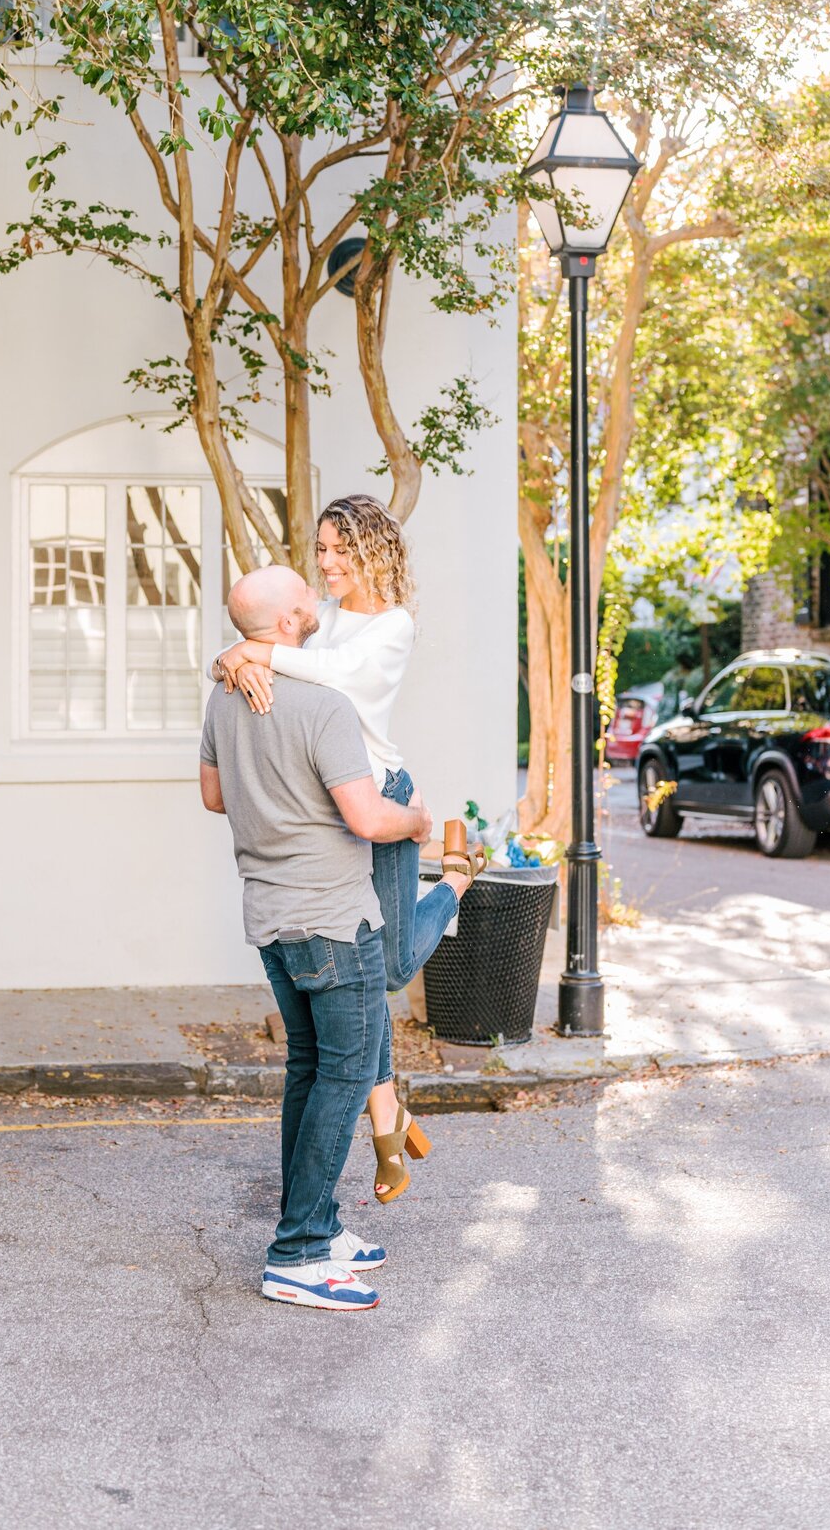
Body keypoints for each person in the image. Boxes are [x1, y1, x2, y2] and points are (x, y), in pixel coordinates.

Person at [211, 493, 486, 1203]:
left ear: (372, 551)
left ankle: (455, 880)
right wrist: (232, 656)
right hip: (329, 800)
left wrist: (253, 652)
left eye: (339, 550)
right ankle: (387, 1117)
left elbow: (329, 678)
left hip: (378, 794)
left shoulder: (392, 626)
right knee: (361, 967)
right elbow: (290, 643)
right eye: (322, 550)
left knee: (389, 966)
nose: (326, 563)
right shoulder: (326, 615)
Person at [200, 563, 433, 1311]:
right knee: (344, 1075)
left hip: (269, 916)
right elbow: (369, 819)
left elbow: (213, 795)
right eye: (310, 592)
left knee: (310, 1071)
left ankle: (320, 1227)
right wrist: (419, 822)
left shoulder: (226, 695)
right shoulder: (325, 705)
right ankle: (297, 1253)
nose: (319, 597)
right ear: (295, 616)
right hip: (335, 921)